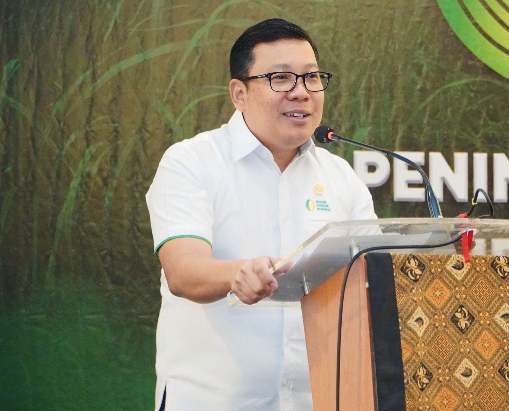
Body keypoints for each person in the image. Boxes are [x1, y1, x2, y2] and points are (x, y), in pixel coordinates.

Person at [145, 18, 377, 411]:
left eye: (311, 77)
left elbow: (370, 283)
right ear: (239, 93)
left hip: (314, 402)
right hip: (212, 402)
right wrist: (237, 275)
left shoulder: (341, 178)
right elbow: (183, 271)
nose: (301, 92)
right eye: (281, 78)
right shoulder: (191, 162)